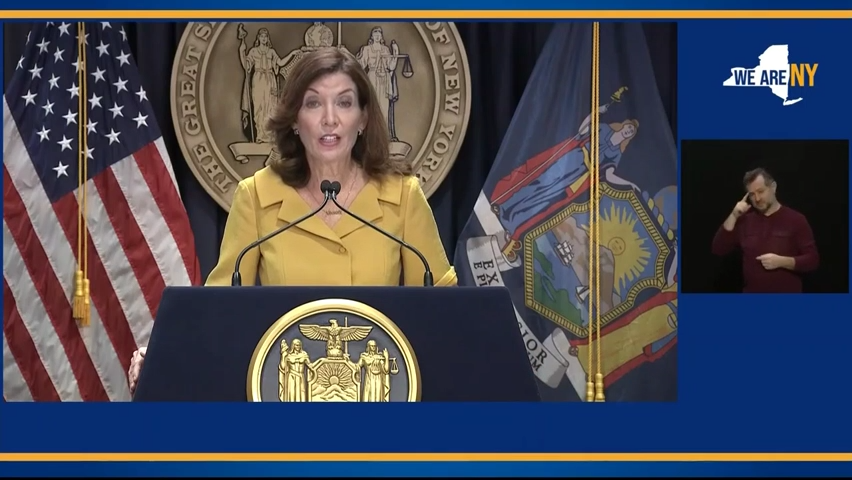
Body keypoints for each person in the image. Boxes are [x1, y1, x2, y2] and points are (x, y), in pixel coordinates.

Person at [128, 48, 457, 393]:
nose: (330, 119)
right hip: (286, 391)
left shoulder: (402, 195)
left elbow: (443, 313)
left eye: (344, 103)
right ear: (295, 121)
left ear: (362, 119)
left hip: (377, 393)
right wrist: (165, 354)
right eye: (313, 104)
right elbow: (219, 309)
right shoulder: (257, 195)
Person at [710, 167, 818, 293]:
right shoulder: (745, 221)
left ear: (773, 187)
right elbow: (718, 249)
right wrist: (734, 215)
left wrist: (782, 261)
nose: (757, 198)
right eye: (752, 194)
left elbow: (813, 260)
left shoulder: (796, 220)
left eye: (760, 191)